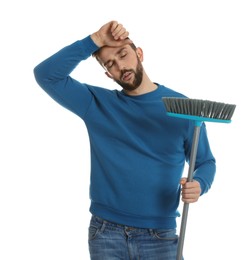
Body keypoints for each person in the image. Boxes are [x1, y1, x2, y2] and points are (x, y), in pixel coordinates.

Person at [34, 20, 216, 259]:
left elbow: (206, 162)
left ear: (139, 53)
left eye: (123, 55)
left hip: (159, 235)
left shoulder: (183, 108)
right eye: (112, 64)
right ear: (108, 74)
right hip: (106, 233)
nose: (121, 66)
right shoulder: (96, 104)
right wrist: (95, 40)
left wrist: (199, 184)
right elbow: (46, 75)